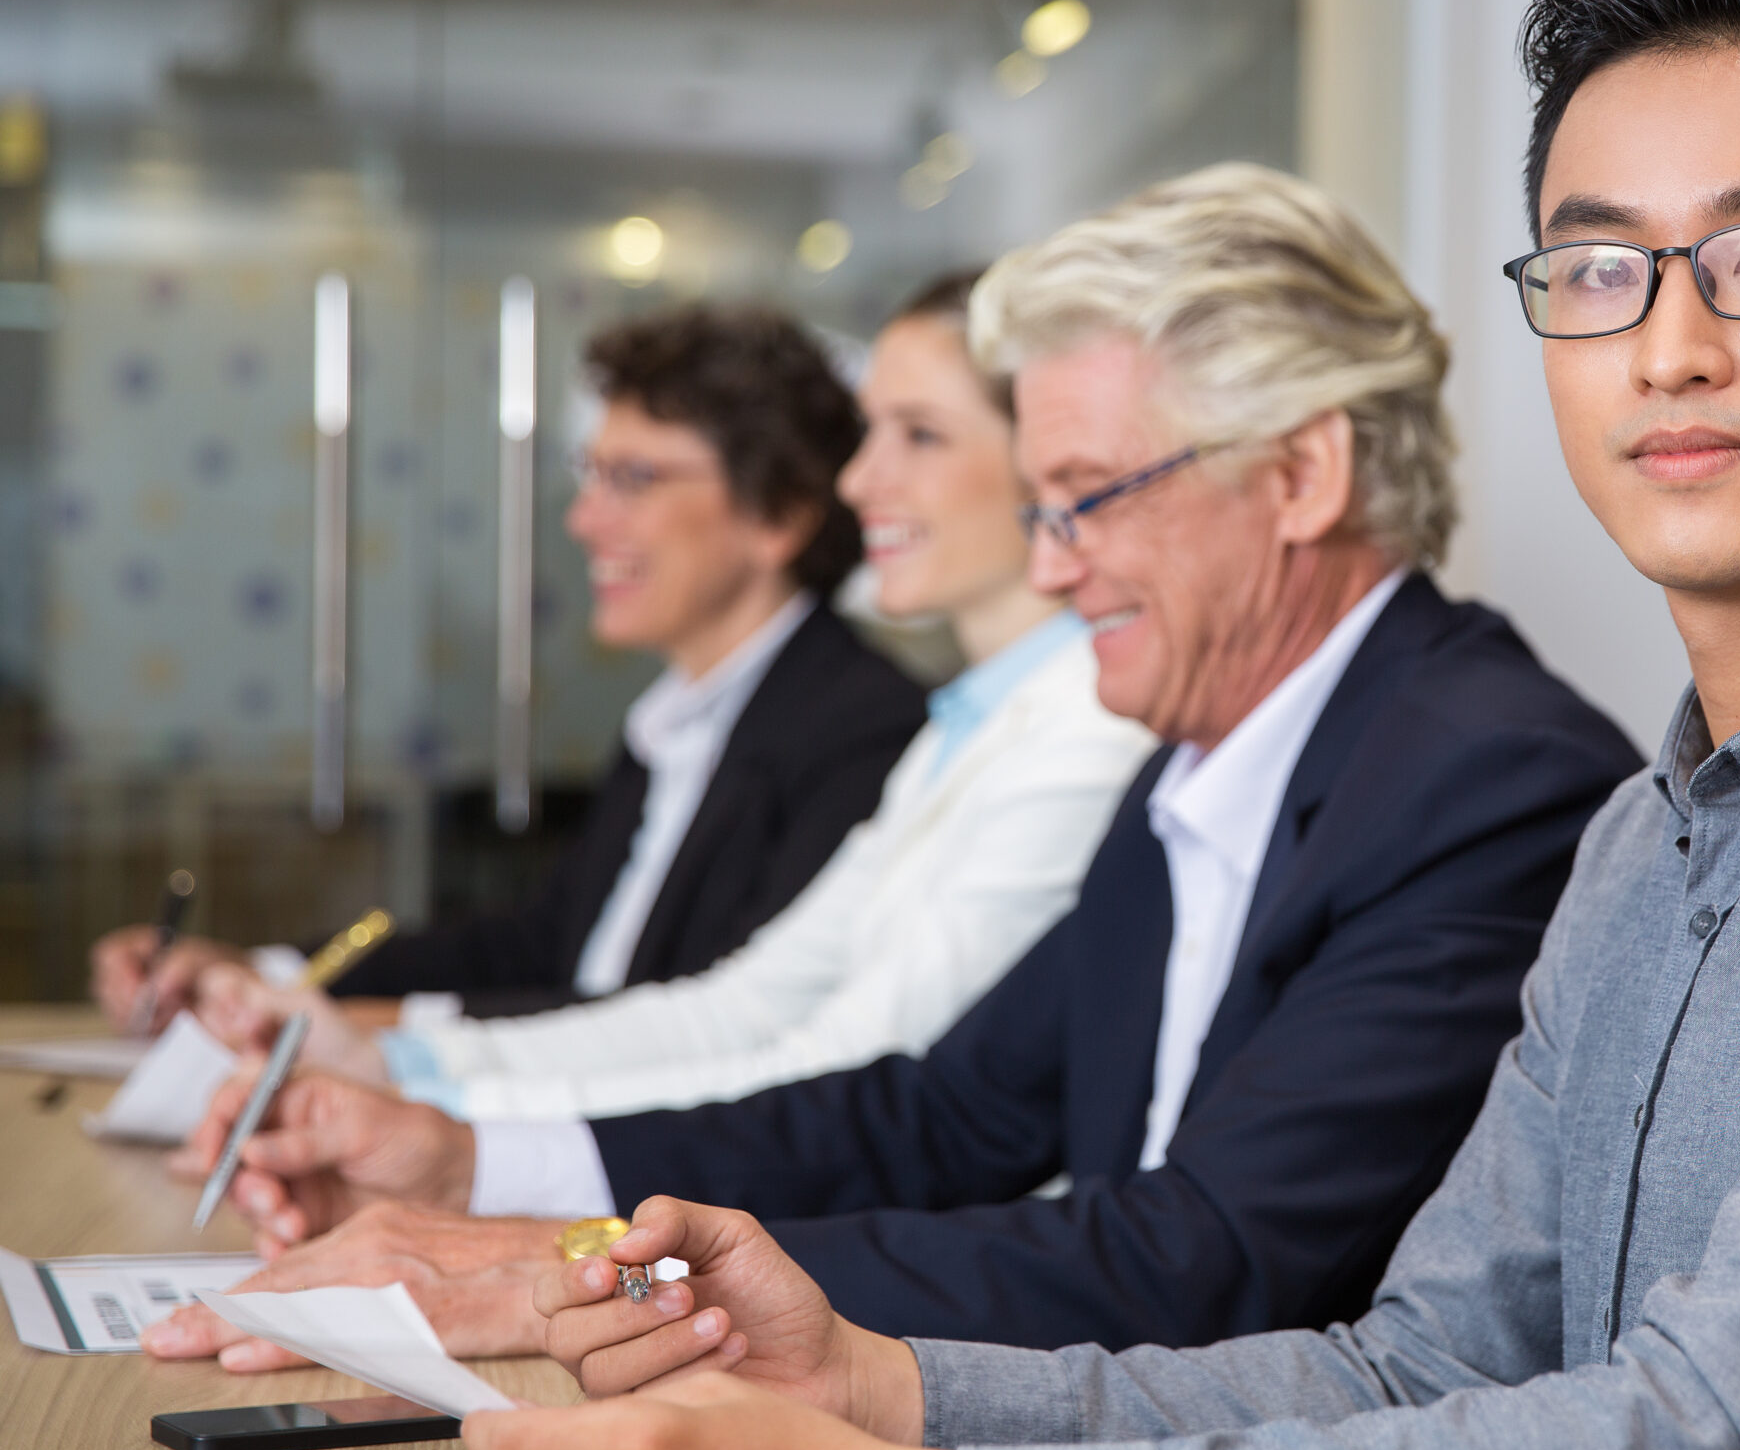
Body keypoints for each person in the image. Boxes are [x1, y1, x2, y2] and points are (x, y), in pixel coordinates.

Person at [457, 0, 1740, 1450]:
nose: (1666, 348)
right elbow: (1422, 1360)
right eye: (1597, 271)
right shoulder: (1648, 832)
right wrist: (883, 1387)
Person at [155, 163, 1641, 1374]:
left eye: (1085, 502)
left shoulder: (1488, 782)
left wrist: (544, 1258)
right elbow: (937, 1115)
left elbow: (1209, 1258)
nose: (1054, 573)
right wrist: (474, 1169)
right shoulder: (1204, 753)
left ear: (1302, 475)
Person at [181, 270, 1158, 1120]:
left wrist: (450, 1123)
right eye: (870, 435)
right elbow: (740, 1005)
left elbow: (846, 1078)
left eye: (921, 435)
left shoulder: (1046, 728)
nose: (860, 481)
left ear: (1050, 461)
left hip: (826, 1251)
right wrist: (405, 1074)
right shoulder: (966, 725)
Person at [94, 305, 928, 1027]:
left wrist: (360, 1027)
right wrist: (266, 973)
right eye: (590, 474)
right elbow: (546, 944)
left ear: (779, 512)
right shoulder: (681, 716)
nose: (584, 520)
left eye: (633, 479)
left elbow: (697, 1016)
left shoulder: (859, 734)